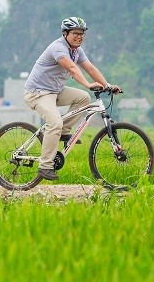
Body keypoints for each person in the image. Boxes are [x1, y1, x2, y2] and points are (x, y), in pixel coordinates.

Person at [23, 16, 121, 181]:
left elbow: (89, 67)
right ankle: (45, 166)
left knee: (83, 98)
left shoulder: (77, 50)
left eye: (82, 34)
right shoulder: (58, 48)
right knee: (54, 123)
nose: (79, 37)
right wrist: (88, 84)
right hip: (37, 92)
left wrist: (108, 85)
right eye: (75, 33)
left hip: (54, 91)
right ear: (65, 33)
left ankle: (63, 132)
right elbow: (71, 68)